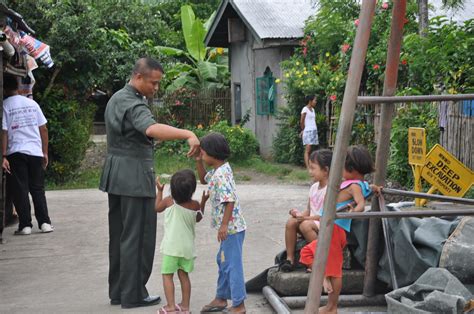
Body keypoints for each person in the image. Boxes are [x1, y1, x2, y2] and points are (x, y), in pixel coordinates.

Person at [99, 57, 200, 309]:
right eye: (153, 83)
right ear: (138, 77)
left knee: (120, 235)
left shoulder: (116, 98)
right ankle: (133, 294)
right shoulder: (133, 103)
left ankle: (119, 291)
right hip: (134, 177)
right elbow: (151, 129)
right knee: (138, 236)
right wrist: (187, 134)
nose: (156, 88)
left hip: (117, 175)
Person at [298, 145, 375, 314]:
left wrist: (351, 212)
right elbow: (368, 189)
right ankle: (324, 279)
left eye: (340, 166)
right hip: (330, 227)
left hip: (334, 230)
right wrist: (374, 188)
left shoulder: (353, 185)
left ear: (351, 169)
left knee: (331, 267)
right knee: (310, 254)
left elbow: (361, 205)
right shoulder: (356, 183)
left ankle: (332, 306)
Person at [195, 133, 247, 313]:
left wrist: (224, 225)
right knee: (223, 261)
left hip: (232, 228)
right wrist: (198, 160)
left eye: (203, 152)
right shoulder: (218, 170)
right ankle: (221, 298)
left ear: (212, 153)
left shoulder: (222, 174)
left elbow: (230, 200)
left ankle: (239, 304)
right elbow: (203, 180)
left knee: (232, 264)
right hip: (230, 228)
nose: (201, 154)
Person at [1, 74, 53, 235]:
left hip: (16, 153)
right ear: (17, 87)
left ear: (3, 88)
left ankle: (25, 225)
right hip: (35, 152)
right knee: (38, 189)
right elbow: (43, 128)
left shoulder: (5, 106)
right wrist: (44, 152)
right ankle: (45, 223)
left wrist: (3, 156)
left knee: (20, 189)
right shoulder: (32, 104)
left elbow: (4, 132)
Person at [155, 170, 209, 314]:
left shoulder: (168, 201)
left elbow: (156, 208)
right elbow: (199, 218)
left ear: (172, 189)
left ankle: (171, 307)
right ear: (192, 190)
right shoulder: (195, 205)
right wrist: (203, 202)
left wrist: (159, 191)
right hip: (187, 249)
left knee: (167, 275)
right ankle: (185, 306)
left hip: (172, 248)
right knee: (183, 275)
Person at [279, 149, 333, 272]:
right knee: (291, 222)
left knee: (305, 225)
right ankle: (290, 258)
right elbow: (309, 210)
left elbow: (324, 215)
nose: (310, 172)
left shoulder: (330, 189)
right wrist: (298, 215)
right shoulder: (314, 187)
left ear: (325, 170)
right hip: (312, 221)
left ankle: (320, 256)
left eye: (313, 168)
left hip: (323, 222)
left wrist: (305, 219)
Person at [300, 95, 319, 168]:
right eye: (315, 100)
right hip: (308, 131)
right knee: (308, 149)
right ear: (310, 101)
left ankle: (312, 164)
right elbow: (302, 121)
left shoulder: (313, 110)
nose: (315, 102)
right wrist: (303, 130)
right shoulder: (305, 109)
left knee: (312, 149)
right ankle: (308, 166)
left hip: (314, 130)